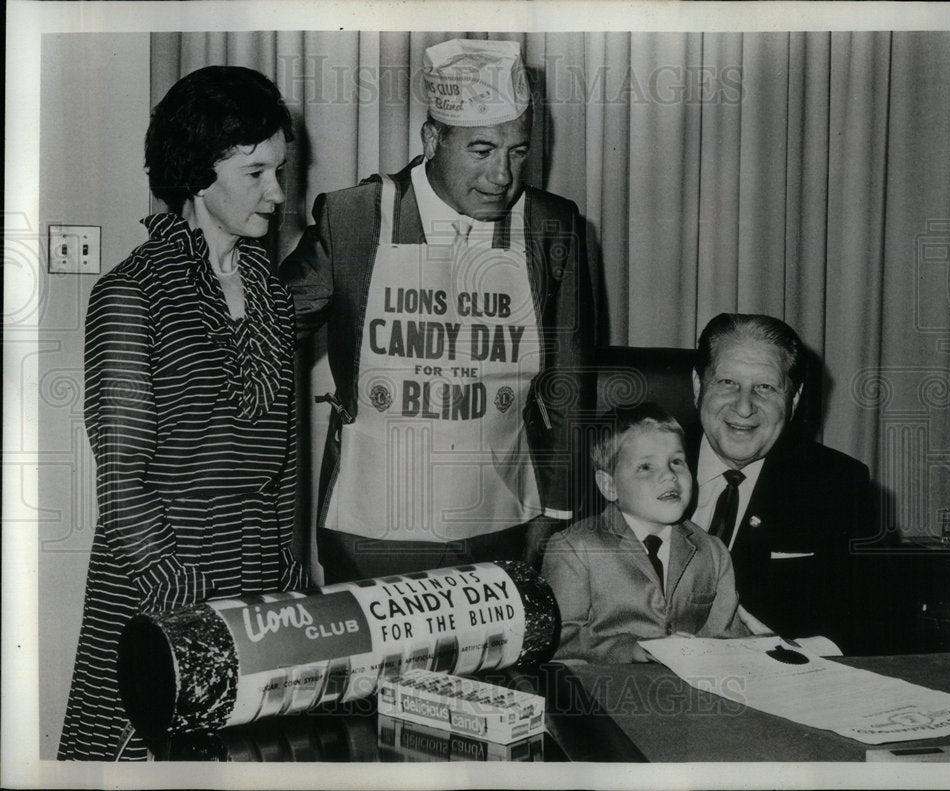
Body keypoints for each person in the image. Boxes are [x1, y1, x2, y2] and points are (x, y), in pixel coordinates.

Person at [58, 66, 308, 761]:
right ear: (199, 173)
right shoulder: (129, 294)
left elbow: (283, 464)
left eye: (279, 170)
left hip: (257, 568)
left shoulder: (273, 295)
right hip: (164, 575)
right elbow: (123, 484)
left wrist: (289, 586)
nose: (278, 192)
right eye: (255, 172)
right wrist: (191, 609)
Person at [281, 38, 593, 582]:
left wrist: (560, 510)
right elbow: (268, 327)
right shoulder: (356, 218)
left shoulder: (550, 225)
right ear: (432, 139)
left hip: (500, 519)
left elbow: (568, 377)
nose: (503, 176)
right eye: (481, 150)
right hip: (372, 527)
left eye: (517, 151)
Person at [688, 313, 874, 652]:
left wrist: (796, 653)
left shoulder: (839, 485)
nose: (744, 407)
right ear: (699, 386)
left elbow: (870, 617)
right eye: (727, 382)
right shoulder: (631, 463)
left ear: (794, 399)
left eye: (765, 387)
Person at [541, 404, 749, 664]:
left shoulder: (713, 551)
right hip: (609, 693)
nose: (669, 476)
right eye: (646, 467)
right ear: (609, 485)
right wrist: (635, 650)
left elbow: (727, 640)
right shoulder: (575, 548)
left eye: (676, 461)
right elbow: (559, 638)